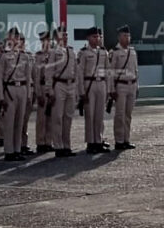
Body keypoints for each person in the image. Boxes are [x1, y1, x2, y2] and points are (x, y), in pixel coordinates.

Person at [0, 28, 32, 161]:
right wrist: (0, 96)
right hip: (9, 90)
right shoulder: (3, 56)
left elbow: (28, 77)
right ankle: (9, 151)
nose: (15, 40)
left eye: (17, 37)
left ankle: (17, 149)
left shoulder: (25, 56)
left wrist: (28, 96)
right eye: (13, 37)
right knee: (9, 122)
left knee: (19, 122)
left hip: (22, 89)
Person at [78, 26, 110, 154]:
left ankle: (99, 140)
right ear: (88, 38)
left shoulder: (103, 52)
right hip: (89, 84)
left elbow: (108, 72)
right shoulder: (84, 53)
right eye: (94, 36)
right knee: (90, 115)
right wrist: (81, 92)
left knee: (99, 115)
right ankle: (91, 142)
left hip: (101, 83)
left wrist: (108, 89)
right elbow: (79, 73)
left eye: (98, 36)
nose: (97, 39)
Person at [46, 29, 78, 158]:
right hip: (59, 84)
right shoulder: (54, 52)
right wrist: (50, 90)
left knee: (68, 117)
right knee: (58, 117)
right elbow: (49, 71)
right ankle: (58, 146)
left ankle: (67, 145)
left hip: (70, 84)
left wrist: (76, 88)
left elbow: (76, 70)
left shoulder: (71, 51)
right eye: (62, 35)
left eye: (66, 34)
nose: (65, 37)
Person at [109, 25, 138, 150]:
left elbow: (136, 70)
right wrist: (111, 89)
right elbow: (110, 72)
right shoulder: (114, 52)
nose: (127, 38)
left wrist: (137, 86)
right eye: (124, 36)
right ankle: (119, 141)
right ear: (119, 37)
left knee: (128, 115)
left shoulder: (132, 52)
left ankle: (126, 139)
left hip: (132, 85)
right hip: (120, 85)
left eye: (128, 36)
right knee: (120, 115)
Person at [33, 32, 54, 154]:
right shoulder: (39, 56)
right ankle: (40, 142)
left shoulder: (54, 55)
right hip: (42, 87)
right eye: (44, 40)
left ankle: (48, 141)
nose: (47, 43)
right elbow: (36, 77)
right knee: (41, 118)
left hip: (50, 88)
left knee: (50, 117)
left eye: (49, 40)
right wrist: (38, 93)